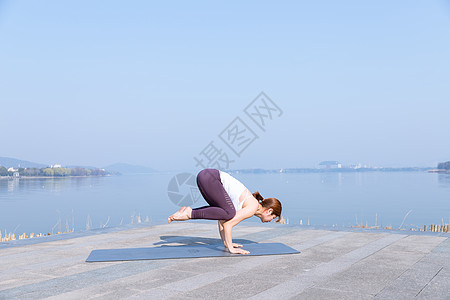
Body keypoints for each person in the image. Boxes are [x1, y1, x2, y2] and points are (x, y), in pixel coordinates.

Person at [168, 168, 282, 255]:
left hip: (205, 176)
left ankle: (189, 212)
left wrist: (227, 243)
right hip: (211, 178)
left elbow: (222, 220)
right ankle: (189, 213)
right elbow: (228, 224)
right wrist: (232, 250)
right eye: (274, 217)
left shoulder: (250, 205)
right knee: (229, 213)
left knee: (225, 212)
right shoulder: (252, 207)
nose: (271, 220)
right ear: (269, 211)